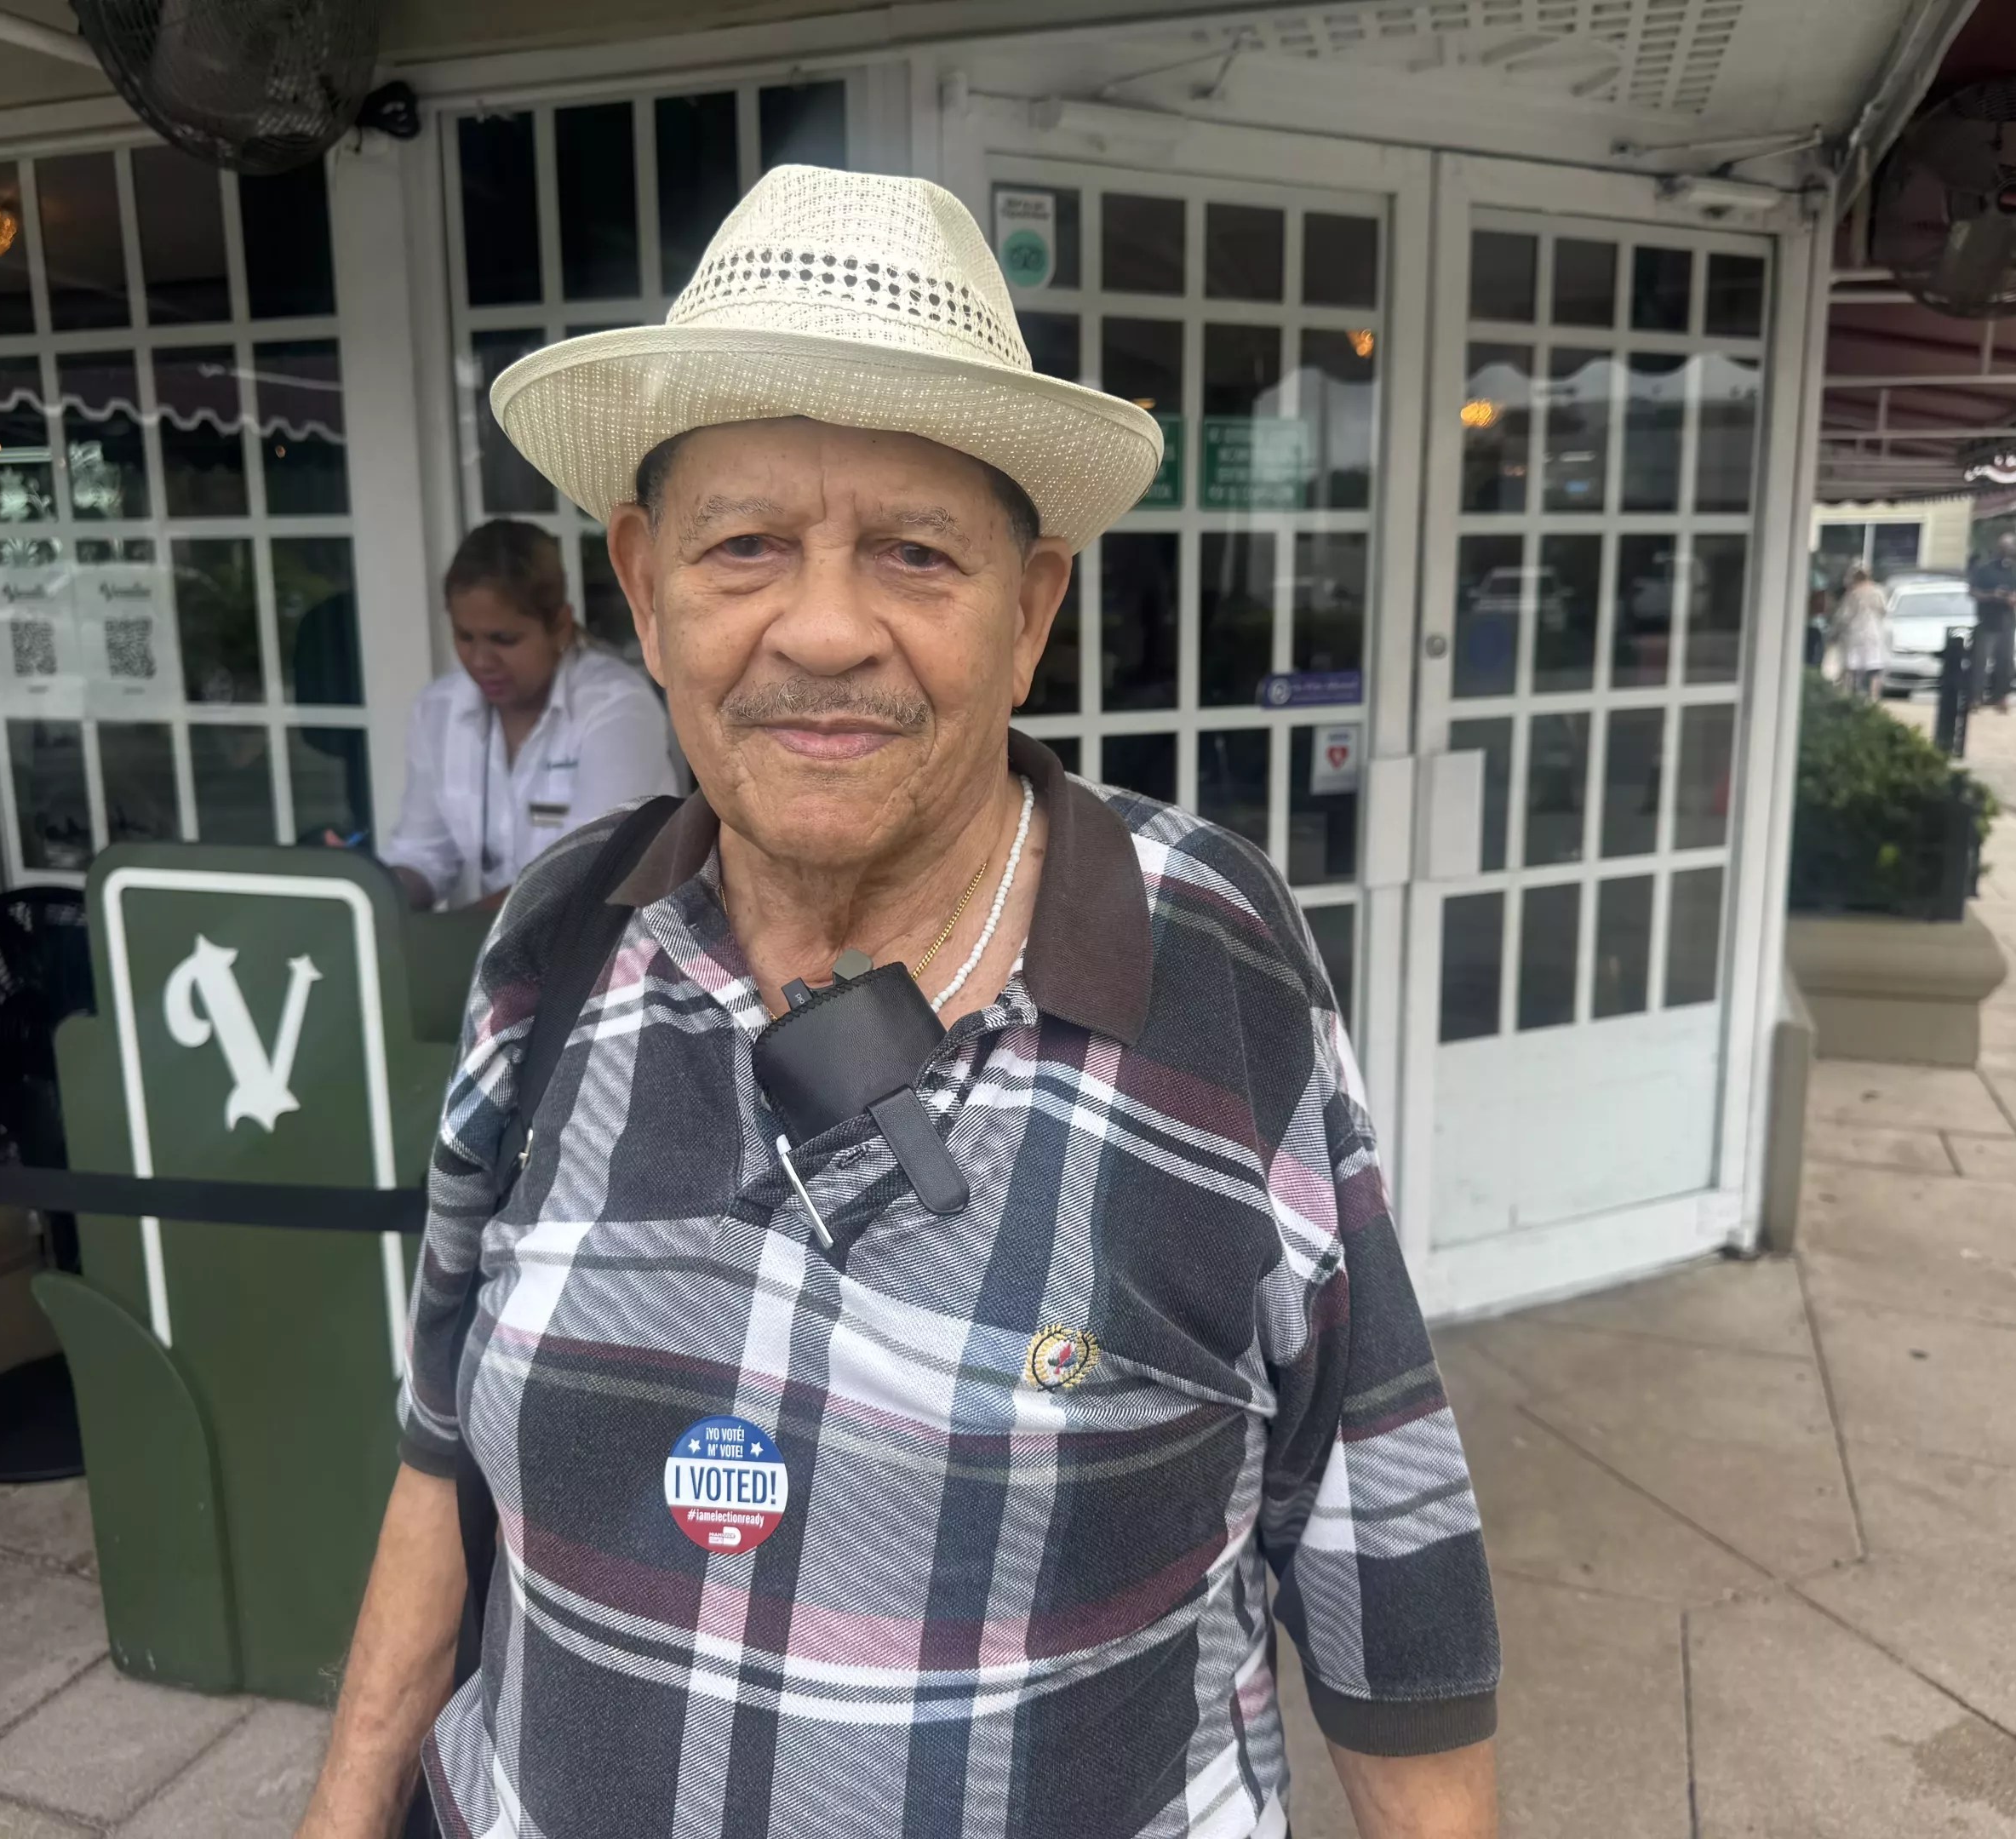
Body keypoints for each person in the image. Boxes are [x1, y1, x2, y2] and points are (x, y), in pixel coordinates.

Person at [298, 166, 1499, 1839]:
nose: (825, 629)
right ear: (645, 588)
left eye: (916, 554)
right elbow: (441, 1453)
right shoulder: (559, 940)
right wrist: (342, 1811)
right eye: (746, 547)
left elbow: (1385, 1556)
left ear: (1032, 611)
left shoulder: (1209, 963)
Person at [371, 520, 679, 910]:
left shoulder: (617, 706)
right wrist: (372, 896)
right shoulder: (439, 710)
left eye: (504, 639)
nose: (481, 661)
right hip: (488, 939)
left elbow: (583, 874)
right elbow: (423, 853)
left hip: (619, 940)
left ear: (560, 626)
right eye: (465, 637)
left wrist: (448, 934)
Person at [1965, 530, 2016, 714]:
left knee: (2005, 662)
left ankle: (2000, 698)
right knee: (1979, 662)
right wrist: (1992, 595)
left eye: (2011, 547)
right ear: (1999, 548)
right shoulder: (1984, 569)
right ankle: (1975, 699)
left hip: (2008, 622)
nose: (2008, 551)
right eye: (2005, 547)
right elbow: (1972, 592)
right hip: (1986, 622)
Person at [1829, 562, 1890, 700]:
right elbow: (1884, 610)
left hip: (1854, 634)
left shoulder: (1853, 594)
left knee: (1852, 667)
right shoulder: (1878, 592)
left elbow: (1844, 616)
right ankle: (1873, 697)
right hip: (1874, 633)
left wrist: (1835, 633)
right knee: (1874, 667)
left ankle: (1851, 696)